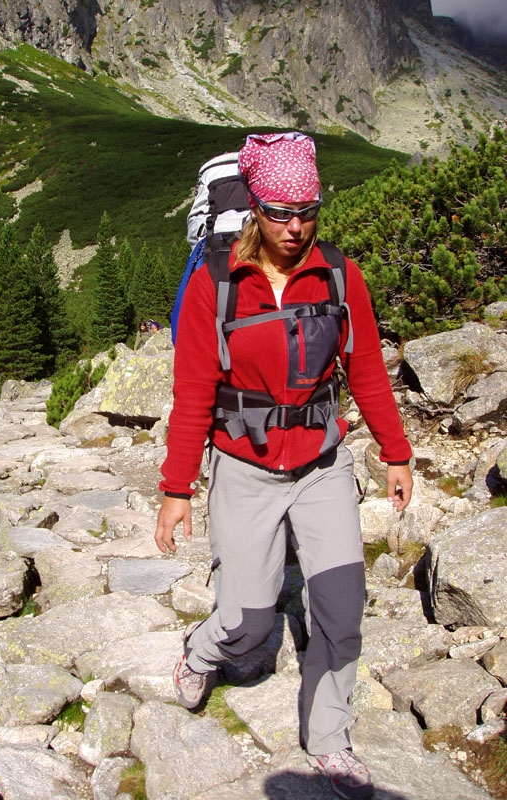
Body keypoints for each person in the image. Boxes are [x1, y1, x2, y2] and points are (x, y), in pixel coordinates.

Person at [154, 131, 413, 800]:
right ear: (254, 209)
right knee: (248, 616)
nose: (296, 227)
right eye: (279, 212)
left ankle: (331, 740)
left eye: (308, 211)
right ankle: (200, 652)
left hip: (323, 464)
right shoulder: (218, 282)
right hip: (243, 467)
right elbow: (193, 398)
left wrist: (396, 451)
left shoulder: (337, 273)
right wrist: (176, 488)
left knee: (340, 604)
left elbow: (366, 372)